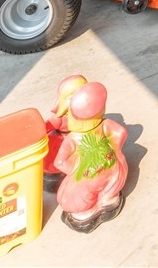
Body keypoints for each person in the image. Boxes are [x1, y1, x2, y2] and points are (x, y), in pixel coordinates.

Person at [48, 81, 128, 232]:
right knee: (110, 190)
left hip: (87, 177)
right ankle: (109, 201)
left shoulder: (73, 138)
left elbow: (60, 162)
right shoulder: (104, 125)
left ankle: (85, 214)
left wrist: (78, 169)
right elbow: (121, 133)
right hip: (111, 170)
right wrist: (113, 152)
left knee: (75, 201)